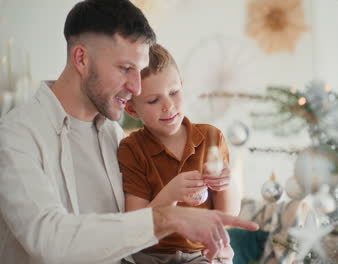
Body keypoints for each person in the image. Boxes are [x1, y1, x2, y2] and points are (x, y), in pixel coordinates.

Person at [0, 1, 257, 263]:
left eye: (140, 70)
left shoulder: (113, 134)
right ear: (81, 59)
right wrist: (167, 217)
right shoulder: (15, 137)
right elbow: (49, 239)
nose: (136, 88)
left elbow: (127, 240)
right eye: (125, 69)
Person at [118, 43, 241, 264]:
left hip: (201, 254)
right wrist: (171, 194)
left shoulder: (212, 138)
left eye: (174, 92)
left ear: (182, 87)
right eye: (153, 100)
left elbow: (227, 217)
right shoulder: (131, 149)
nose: (168, 106)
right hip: (150, 256)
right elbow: (136, 228)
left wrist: (227, 182)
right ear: (132, 109)